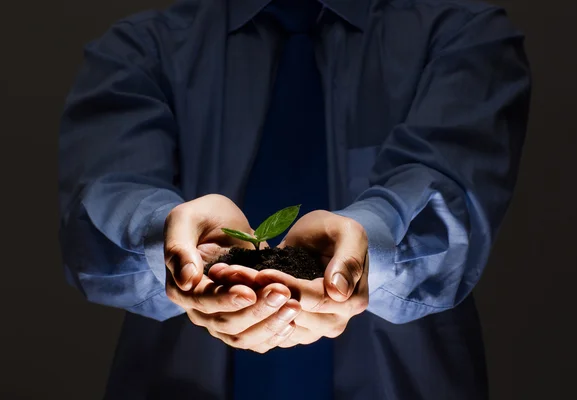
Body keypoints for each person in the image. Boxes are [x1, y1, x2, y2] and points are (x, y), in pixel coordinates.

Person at [58, 0, 531, 398]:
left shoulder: (463, 36)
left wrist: (369, 242)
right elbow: (96, 214)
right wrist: (168, 235)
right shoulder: (141, 49)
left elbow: (452, 200)